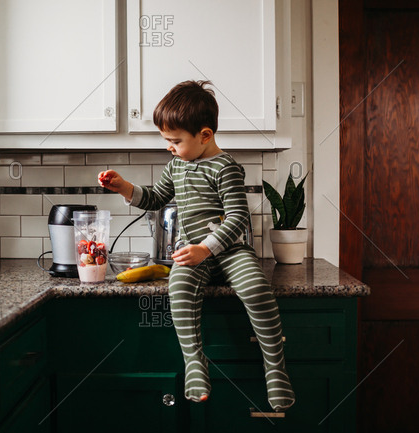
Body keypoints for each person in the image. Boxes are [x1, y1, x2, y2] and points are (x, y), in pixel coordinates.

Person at [97, 80, 295, 411]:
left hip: (231, 251)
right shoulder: (176, 166)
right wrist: (123, 187)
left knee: (257, 289)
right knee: (180, 285)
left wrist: (206, 248)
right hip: (194, 253)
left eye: (175, 141)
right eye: (166, 140)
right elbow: (156, 197)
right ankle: (195, 364)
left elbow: (237, 218)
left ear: (205, 135)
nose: (169, 147)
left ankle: (275, 369)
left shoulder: (226, 166)